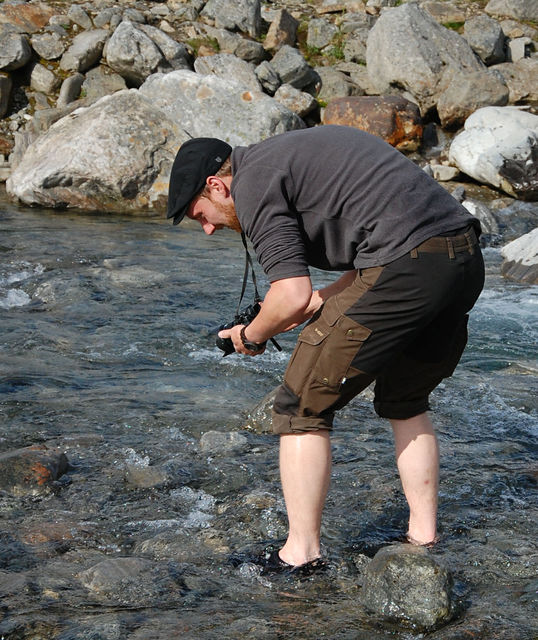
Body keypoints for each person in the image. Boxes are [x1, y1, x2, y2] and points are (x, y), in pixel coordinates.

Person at [167, 126, 485, 572]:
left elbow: (291, 293)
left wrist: (250, 335)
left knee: (300, 408)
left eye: (198, 212)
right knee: (405, 400)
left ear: (216, 185)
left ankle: (301, 555)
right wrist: (319, 302)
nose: (205, 228)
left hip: (408, 265)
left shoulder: (255, 182)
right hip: (462, 258)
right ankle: (423, 538)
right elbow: (378, 249)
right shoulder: (290, 154)